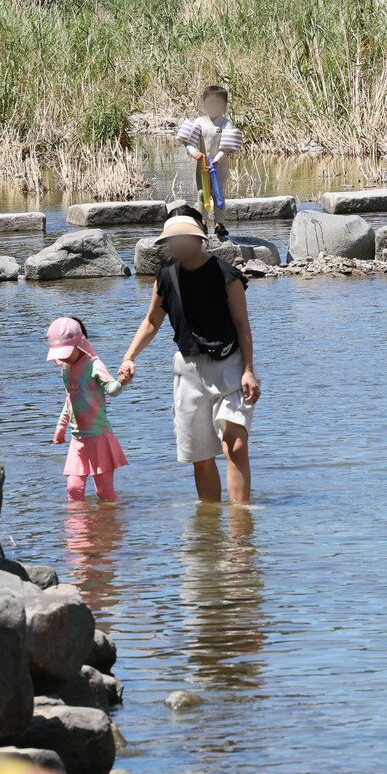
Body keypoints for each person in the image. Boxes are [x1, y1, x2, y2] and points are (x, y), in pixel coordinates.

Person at [117, 215, 260, 504]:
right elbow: (151, 322)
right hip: (189, 370)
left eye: (184, 239)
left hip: (229, 365)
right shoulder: (166, 276)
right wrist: (129, 357)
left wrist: (248, 370)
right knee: (201, 457)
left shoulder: (225, 274)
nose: (178, 245)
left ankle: (241, 522)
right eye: (173, 241)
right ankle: (209, 523)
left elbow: (242, 324)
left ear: (198, 240)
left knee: (235, 444)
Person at [49, 317, 128, 502]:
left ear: (81, 343)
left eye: (66, 352)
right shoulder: (66, 368)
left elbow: (112, 390)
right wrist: (61, 426)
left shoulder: (94, 365)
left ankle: (111, 519)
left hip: (98, 436)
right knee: (73, 489)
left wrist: (122, 382)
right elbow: (70, 398)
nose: (63, 357)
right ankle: (79, 521)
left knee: (104, 492)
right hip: (78, 439)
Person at [176, 85, 244, 239]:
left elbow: (226, 148)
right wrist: (194, 153)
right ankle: (203, 222)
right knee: (202, 194)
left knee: (219, 195)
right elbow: (188, 142)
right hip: (202, 166)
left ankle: (220, 223)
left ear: (224, 105)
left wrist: (217, 160)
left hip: (219, 167)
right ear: (204, 104)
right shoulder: (200, 122)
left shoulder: (226, 123)